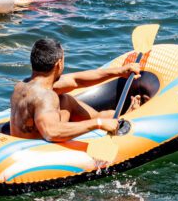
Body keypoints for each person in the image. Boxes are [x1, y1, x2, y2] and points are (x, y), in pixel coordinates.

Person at [9, 38, 141, 141]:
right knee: (65, 102)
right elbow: (52, 133)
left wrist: (120, 71)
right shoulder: (46, 96)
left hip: (21, 143)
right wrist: (98, 123)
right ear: (59, 64)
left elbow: (76, 80)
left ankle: (120, 117)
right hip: (38, 151)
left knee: (65, 100)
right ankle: (119, 120)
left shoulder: (22, 85)